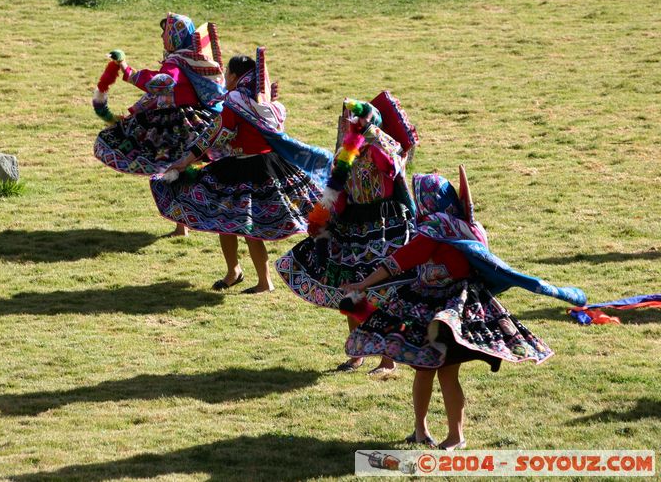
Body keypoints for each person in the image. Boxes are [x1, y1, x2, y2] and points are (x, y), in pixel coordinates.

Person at [341, 167, 586, 450]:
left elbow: (397, 262)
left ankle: (436, 433)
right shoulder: (466, 227)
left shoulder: (434, 232)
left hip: (438, 311)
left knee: (431, 371)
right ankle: (440, 433)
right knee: (441, 373)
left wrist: (362, 284)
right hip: (455, 306)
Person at [151, 48, 333, 293]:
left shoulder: (235, 102)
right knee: (229, 224)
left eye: (227, 72)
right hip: (268, 166)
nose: (225, 76)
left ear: (236, 75)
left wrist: (186, 160)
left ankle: (258, 280)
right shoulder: (266, 104)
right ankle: (236, 273)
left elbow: (216, 133)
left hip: (245, 170)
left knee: (244, 227)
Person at [275, 97, 418, 377]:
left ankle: (388, 360)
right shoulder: (345, 154)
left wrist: (372, 135)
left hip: (383, 226)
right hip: (351, 227)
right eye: (353, 122)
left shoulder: (381, 147)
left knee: (380, 293)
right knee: (349, 287)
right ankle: (357, 353)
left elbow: (391, 167)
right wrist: (323, 217)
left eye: (359, 120)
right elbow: (338, 192)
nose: (353, 125)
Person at [92, 13, 226, 236]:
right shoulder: (187, 57)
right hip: (184, 119)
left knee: (175, 168)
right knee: (178, 169)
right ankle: (182, 224)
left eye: (165, 32)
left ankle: (185, 222)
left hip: (177, 123)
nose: (161, 36)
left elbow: (162, 83)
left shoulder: (176, 61)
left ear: (176, 35)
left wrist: (127, 69)